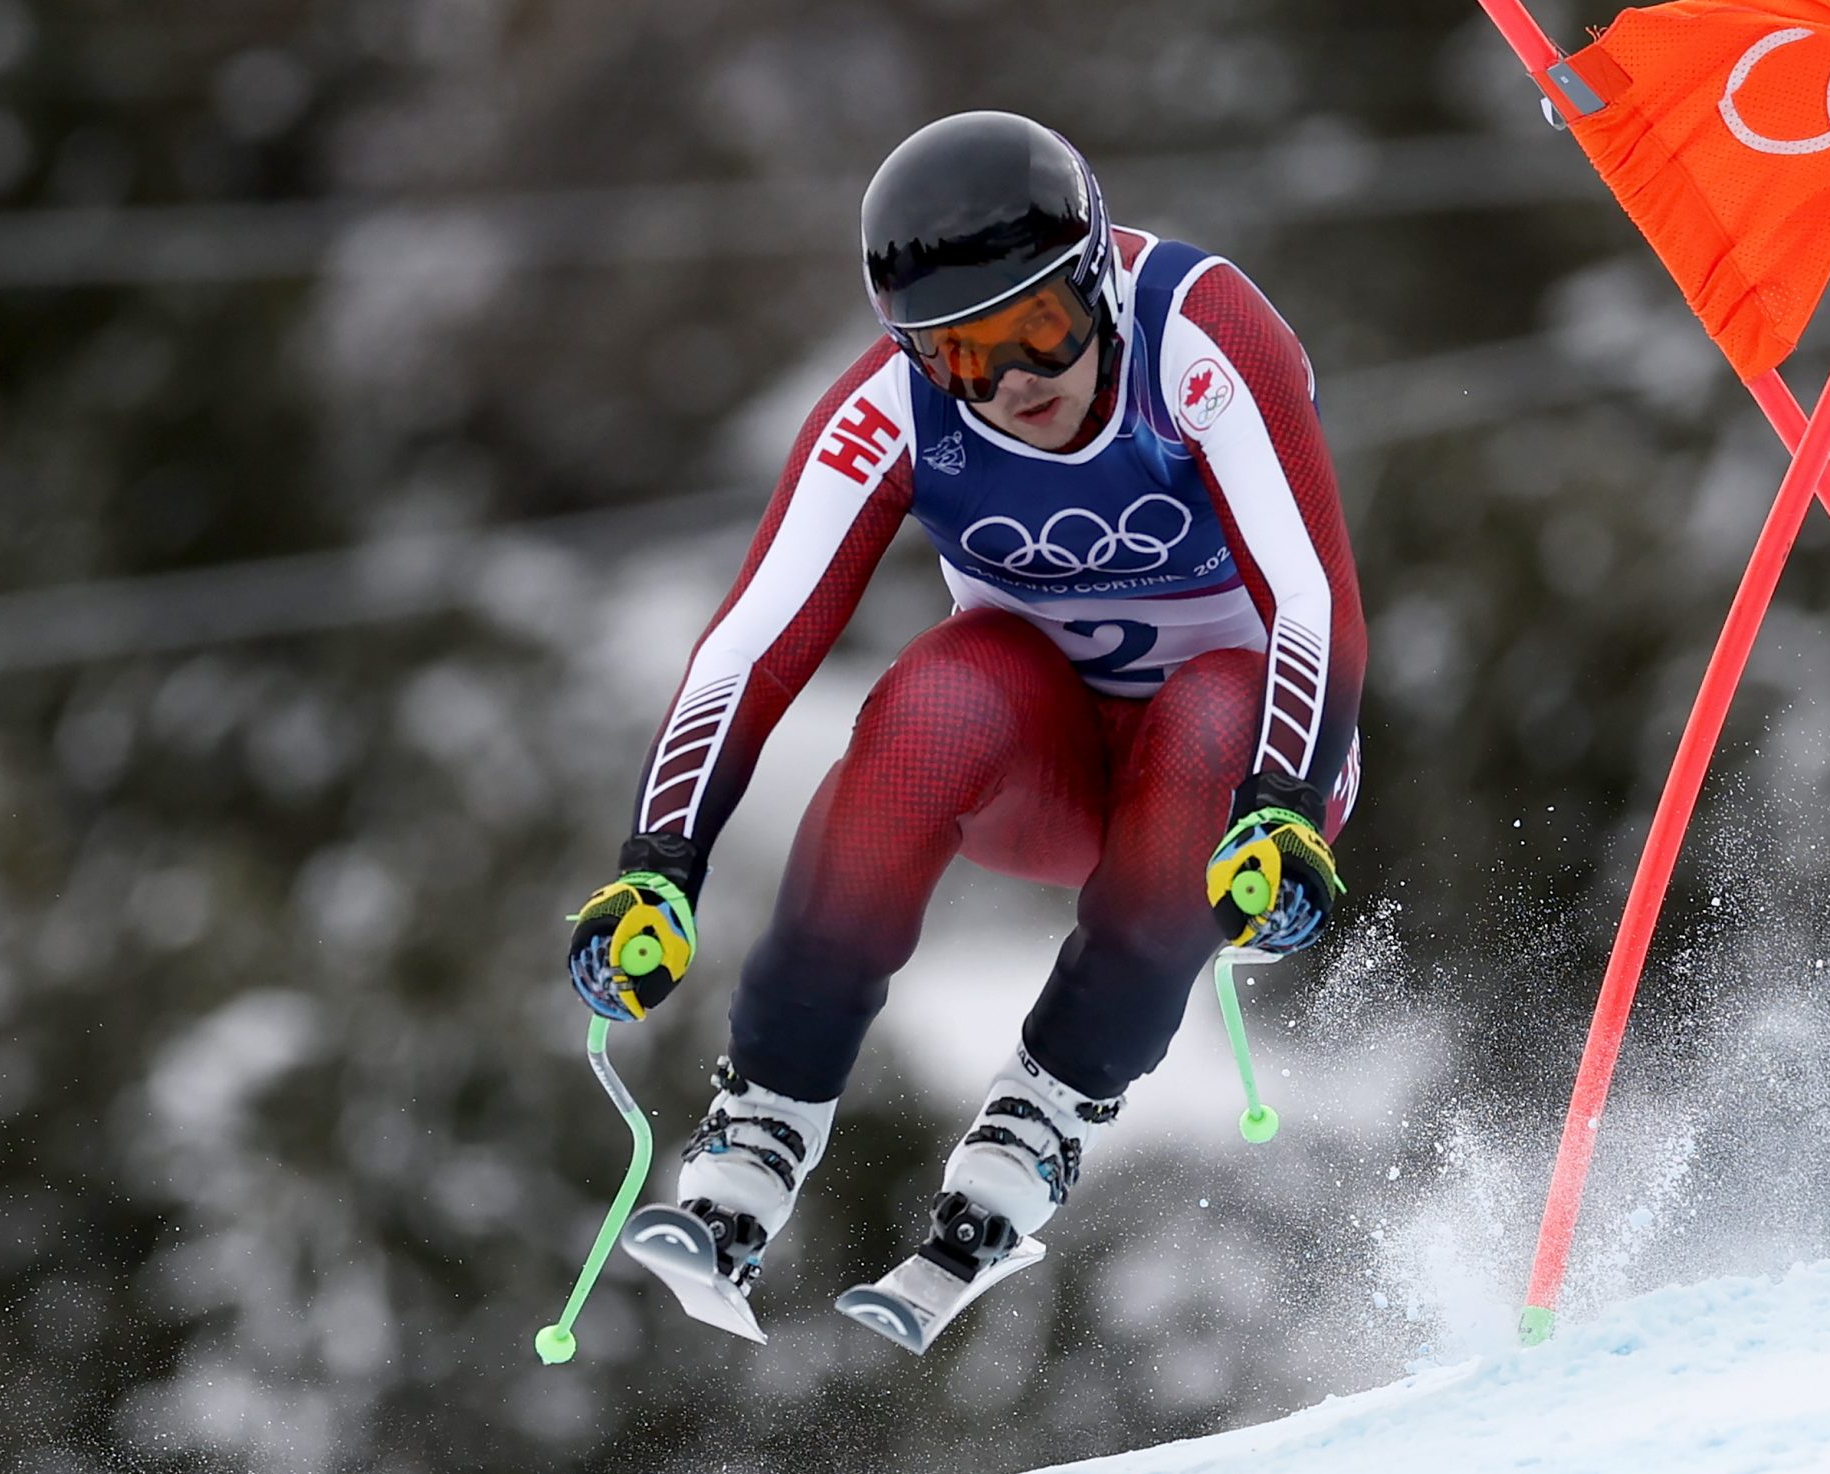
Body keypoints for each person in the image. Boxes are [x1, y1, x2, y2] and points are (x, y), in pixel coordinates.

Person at [563, 110, 1366, 1325]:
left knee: (1209, 707)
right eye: (960, 356)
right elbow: (753, 639)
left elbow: (1313, 598)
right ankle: (763, 1120)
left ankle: (1047, 1111)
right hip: (1050, 775)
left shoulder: (1200, 334)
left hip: (1246, 785)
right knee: (942, 693)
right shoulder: (892, 406)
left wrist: (1284, 801)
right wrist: (658, 866)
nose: (1012, 383)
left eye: (1038, 330)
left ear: (1097, 280)